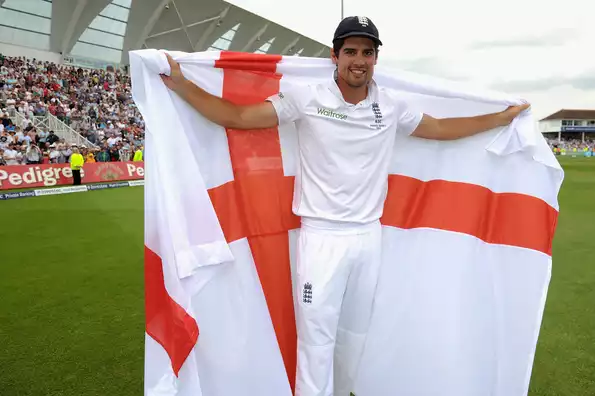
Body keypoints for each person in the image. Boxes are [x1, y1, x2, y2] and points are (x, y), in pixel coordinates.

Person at [160, 16, 530, 396]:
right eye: (350, 51)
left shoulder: (390, 105)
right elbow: (236, 118)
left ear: (375, 59)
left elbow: (438, 129)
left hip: (369, 238)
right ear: (334, 56)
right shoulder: (307, 97)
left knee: (353, 338)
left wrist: (498, 119)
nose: (359, 60)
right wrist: (184, 87)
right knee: (316, 343)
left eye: (367, 52)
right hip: (322, 240)